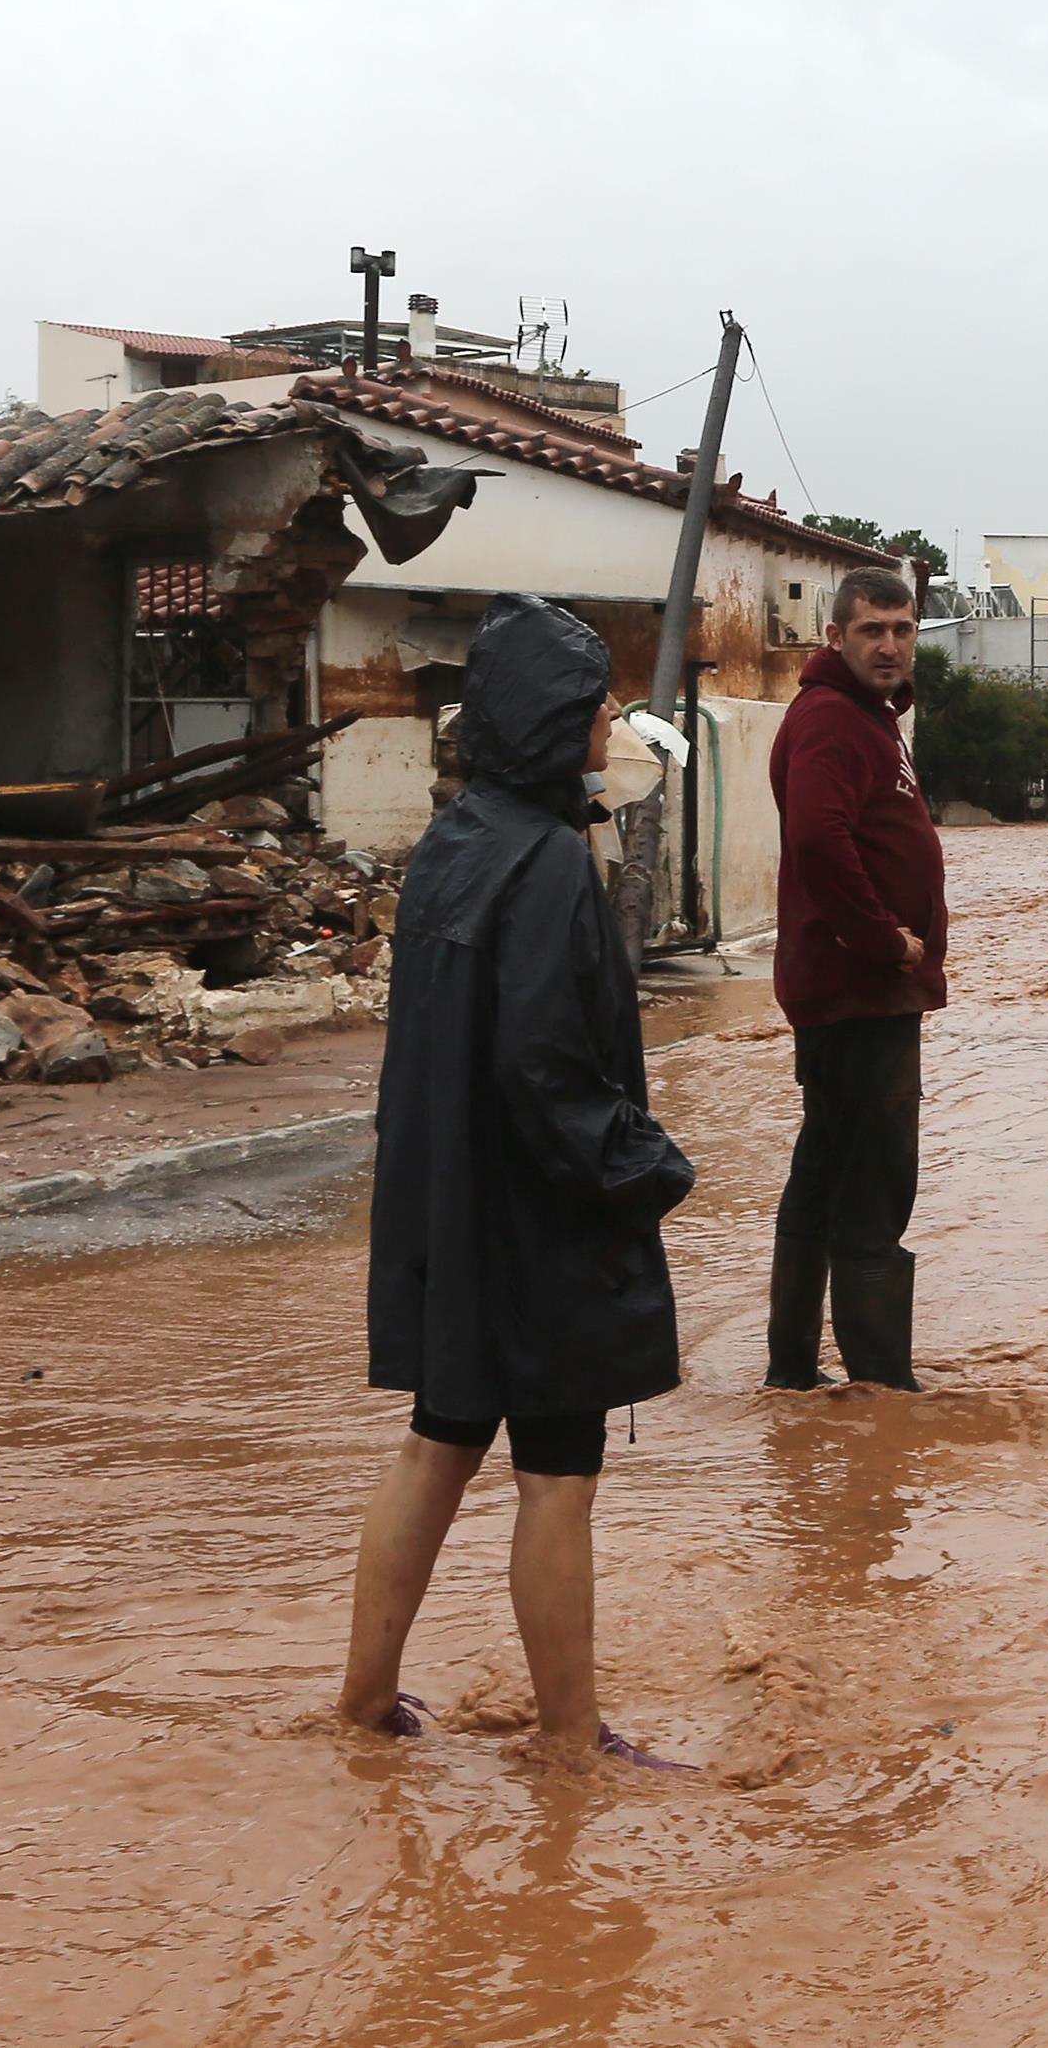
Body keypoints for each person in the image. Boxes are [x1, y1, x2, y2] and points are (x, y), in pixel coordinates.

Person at [337, 592, 695, 1768]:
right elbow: (549, 1073)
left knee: (437, 1439)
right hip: (537, 1225)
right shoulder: (544, 866)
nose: (608, 722)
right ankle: (566, 1741)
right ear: (549, 719)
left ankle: (362, 1707)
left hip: (453, 1206)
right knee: (557, 1475)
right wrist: (647, 1168)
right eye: (592, 702)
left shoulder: (455, 844)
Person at [764, 567, 949, 1392]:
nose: (889, 644)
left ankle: (795, 1377)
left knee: (826, 1175)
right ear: (834, 638)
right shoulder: (834, 722)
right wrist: (887, 944)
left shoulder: (864, 719)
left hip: (848, 991)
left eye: (902, 629)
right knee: (875, 1188)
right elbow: (819, 841)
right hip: (859, 991)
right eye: (872, 629)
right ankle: (883, 1393)